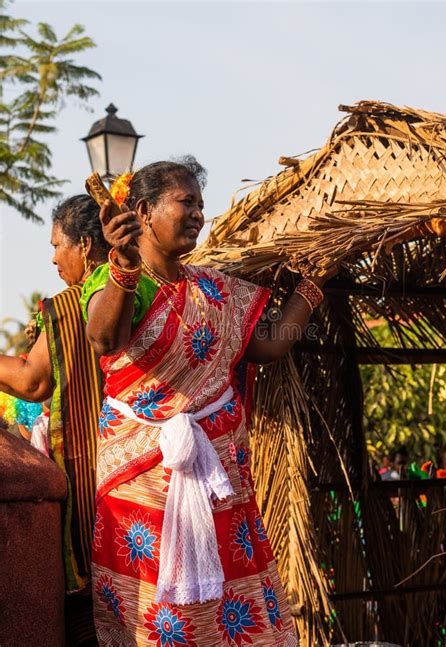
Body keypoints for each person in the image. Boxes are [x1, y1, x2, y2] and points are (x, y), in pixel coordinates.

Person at [81, 157, 336, 646]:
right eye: (185, 201)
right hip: (142, 485)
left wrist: (310, 287)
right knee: (158, 615)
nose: (198, 212)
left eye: (200, 202)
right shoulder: (114, 281)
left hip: (220, 484)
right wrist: (124, 271)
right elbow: (103, 338)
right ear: (143, 210)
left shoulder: (214, 289)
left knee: (229, 609)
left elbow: (270, 345)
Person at [0, 195, 109, 646]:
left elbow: (32, 382)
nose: (52, 257)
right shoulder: (147, 286)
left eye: (56, 245)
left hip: (96, 474)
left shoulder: (74, 305)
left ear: (84, 245)